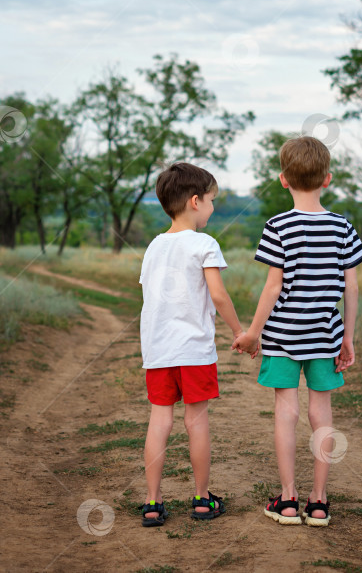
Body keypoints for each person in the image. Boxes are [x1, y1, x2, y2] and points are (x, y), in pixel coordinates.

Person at [233, 136, 362, 527]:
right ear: (327, 179)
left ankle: (289, 499)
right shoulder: (342, 226)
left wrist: (255, 332)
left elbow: (273, 287)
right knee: (321, 413)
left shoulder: (278, 226)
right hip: (326, 335)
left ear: (282, 179)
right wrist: (348, 336)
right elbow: (352, 287)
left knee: (286, 411)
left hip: (282, 336)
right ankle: (319, 501)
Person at [139, 162, 247, 527]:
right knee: (196, 420)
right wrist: (239, 331)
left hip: (158, 351)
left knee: (160, 421)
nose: (214, 208)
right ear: (196, 201)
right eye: (213, 200)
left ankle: (153, 503)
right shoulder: (204, 243)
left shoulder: (154, 246)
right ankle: (202, 500)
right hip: (194, 351)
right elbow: (218, 295)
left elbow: (150, 296)